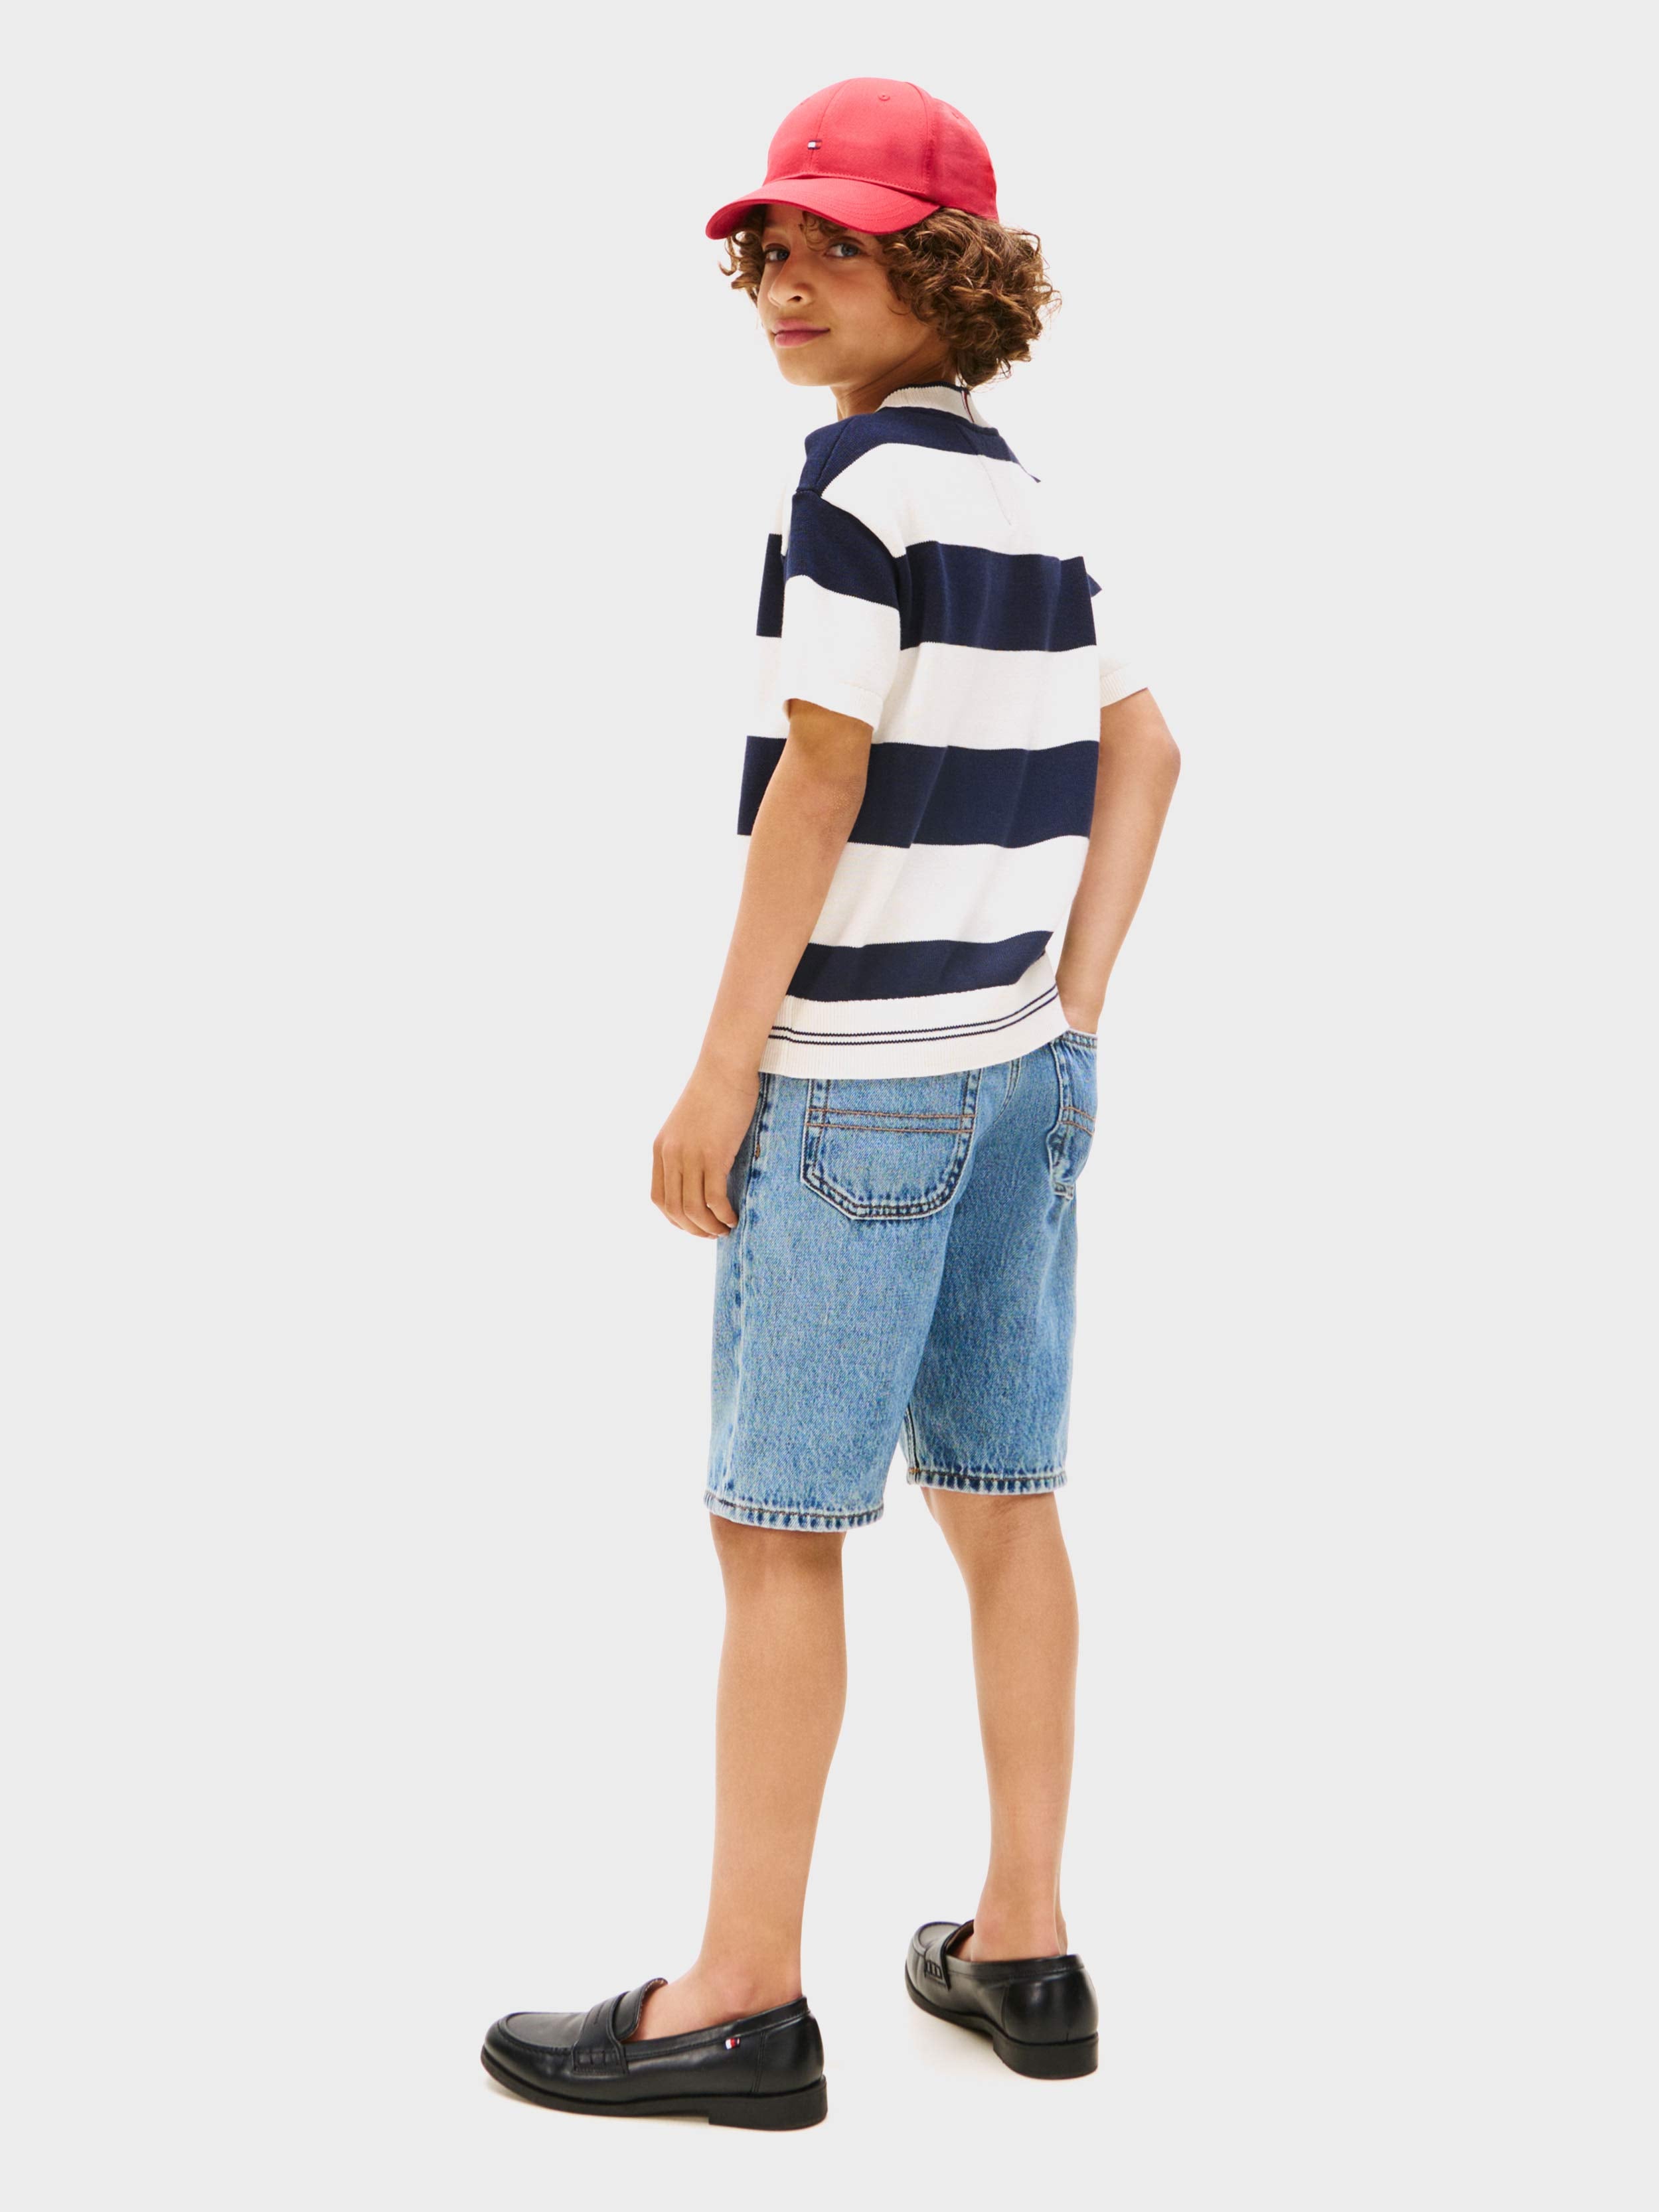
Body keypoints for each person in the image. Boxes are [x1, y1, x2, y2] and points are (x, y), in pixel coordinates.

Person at [481, 76, 1180, 2130]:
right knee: (1003, 1498)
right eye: (769, 253)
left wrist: (724, 1070)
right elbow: (1150, 751)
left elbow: (823, 772)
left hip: (855, 1090)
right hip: (1016, 1080)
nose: (787, 285)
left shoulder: (851, 488)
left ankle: (739, 1997)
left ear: (944, 273)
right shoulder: (1030, 496)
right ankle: (1024, 1945)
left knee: (776, 1527)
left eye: (837, 252)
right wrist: (1070, 1005)